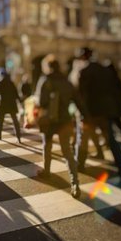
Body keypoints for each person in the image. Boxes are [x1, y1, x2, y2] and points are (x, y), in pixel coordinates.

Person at [76, 47, 121, 187]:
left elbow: (82, 96)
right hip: (106, 112)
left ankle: (79, 166)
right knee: (112, 142)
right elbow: (115, 89)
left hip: (91, 113)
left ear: (83, 58)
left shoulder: (84, 72)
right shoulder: (105, 70)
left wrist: (83, 114)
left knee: (83, 140)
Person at [35, 54, 84, 198]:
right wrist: (84, 116)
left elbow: (41, 102)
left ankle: (47, 171)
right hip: (65, 120)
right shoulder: (67, 81)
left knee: (47, 146)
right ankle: (75, 183)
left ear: (47, 67)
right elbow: (77, 100)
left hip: (49, 121)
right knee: (67, 152)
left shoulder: (45, 80)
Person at [0, 68, 21, 143]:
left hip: (3, 104)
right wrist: (19, 101)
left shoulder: (0, 82)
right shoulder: (11, 83)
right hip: (12, 104)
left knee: (0, 120)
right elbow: (16, 93)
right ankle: (18, 137)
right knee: (15, 121)